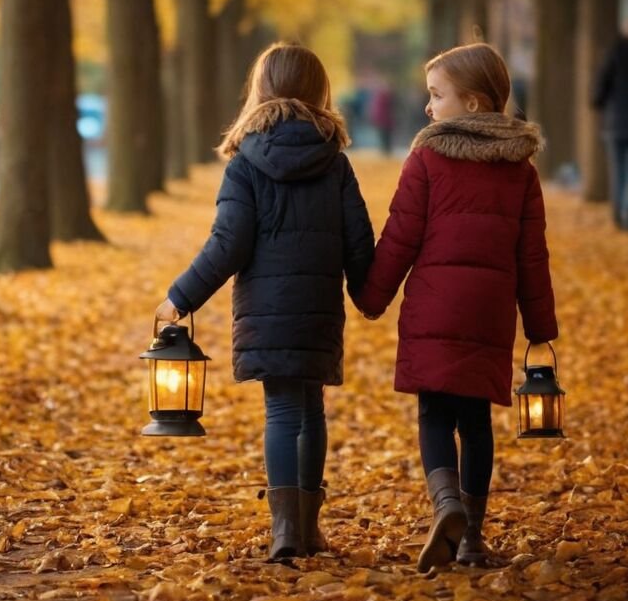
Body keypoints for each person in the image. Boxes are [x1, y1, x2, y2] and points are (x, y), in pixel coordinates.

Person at [154, 42, 374, 561]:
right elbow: (358, 239)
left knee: (280, 412)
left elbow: (228, 243)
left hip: (267, 310)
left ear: (262, 88)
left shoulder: (246, 161)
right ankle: (309, 526)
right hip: (318, 307)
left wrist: (180, 297)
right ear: (320, 90)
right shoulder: (334, 161)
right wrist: (368, 295)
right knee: (311, 409)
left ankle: (284, 531)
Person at [356, 43, 558, 572]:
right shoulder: (522, 171)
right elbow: (531, 257)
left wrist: (372, 296)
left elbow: (401, 237)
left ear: (472, 103)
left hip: (434, 310)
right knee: (476, 422)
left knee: (434, 413)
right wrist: (540, 327)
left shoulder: (427, 157)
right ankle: (472, 537)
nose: (428, 106)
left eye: (436, 95)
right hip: (489, 314)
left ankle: (445, 505)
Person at [591, 30, 628, 230]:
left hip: (616, 123)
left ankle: (617, 213)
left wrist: (600, 103)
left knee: (619, 170)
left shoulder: (614, 54)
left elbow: (598, 92)